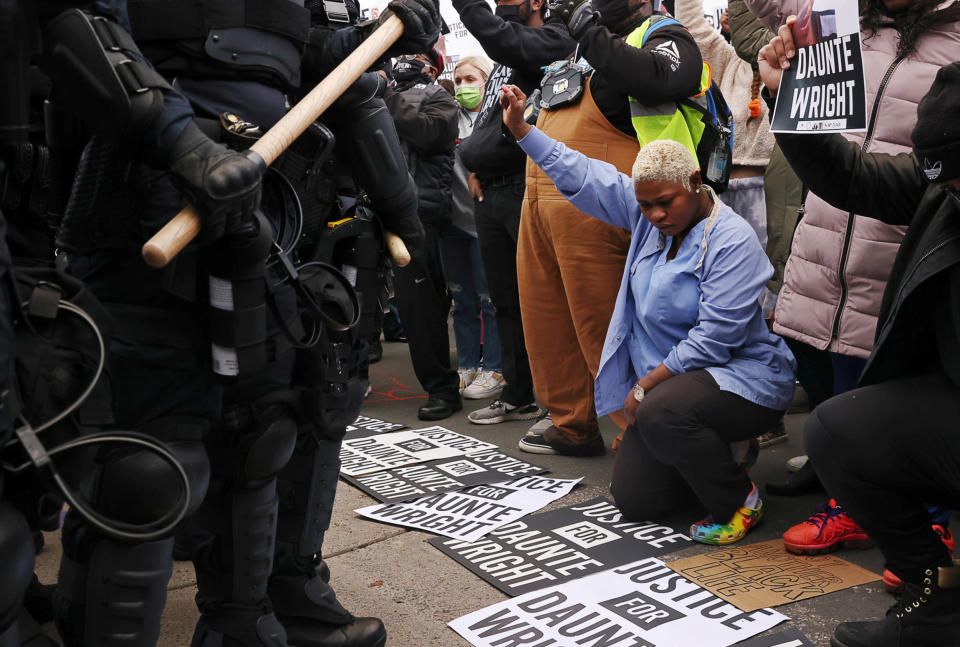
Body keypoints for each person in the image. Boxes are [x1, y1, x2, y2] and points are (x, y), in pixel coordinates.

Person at [501, 84, 795, 543]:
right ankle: (720, 450)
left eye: (665, 203)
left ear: (695, 183)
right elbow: (582, 172)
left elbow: (714, 340)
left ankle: (739, 500)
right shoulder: (644, 217)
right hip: (672, 391)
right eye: (645, 204)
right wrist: (523, 130)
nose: (655, 215)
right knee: (638, 500)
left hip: (742, 378)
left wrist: (644, 387)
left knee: (662, 416)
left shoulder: (731, 239)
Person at [747, 0, 960, 580]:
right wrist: (784, 91)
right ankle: (850, 502)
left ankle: (931, 520)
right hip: (831, 231)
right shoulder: (839, 19)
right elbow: (859, 174)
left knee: (907, 375)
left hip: (911, 240)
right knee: (839, 390)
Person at [515, 0, 705, 456]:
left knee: (609, 326)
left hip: (603, 204)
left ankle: (643, 431)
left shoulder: (665, 34)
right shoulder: (578, 46)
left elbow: (665, 78)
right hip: (542, 198)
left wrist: (594, 36)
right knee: (549, 321)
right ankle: (571, 422)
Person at [454, 0, 574, 426]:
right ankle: (519, 395)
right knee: (505, 301)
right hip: (491, 194)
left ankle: (557, 405)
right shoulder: (506, 57)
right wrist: (474, 164)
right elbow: (488, 124)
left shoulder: (552, 40)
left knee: (543, 302)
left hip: (526, 187)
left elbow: (505, 37)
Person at [383, 50, 462, 421]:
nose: (407, 60)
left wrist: (386, 96)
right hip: (375, 207)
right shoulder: (376, 96)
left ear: (431, 66)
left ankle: (442, 389)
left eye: (416, 54)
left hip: (418, 214)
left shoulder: (440, 98)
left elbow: (430, 136)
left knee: (420, 307)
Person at [443, 55, 507, 401]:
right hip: (452, 223)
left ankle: (494, 367)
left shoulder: (496, 119)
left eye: (471, 79)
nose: (463, 86)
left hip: (484, 223)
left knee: (490, 299)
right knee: (461, 299)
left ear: (487, 81)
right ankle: (467, 364)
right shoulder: (447, 117)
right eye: (457, 80)